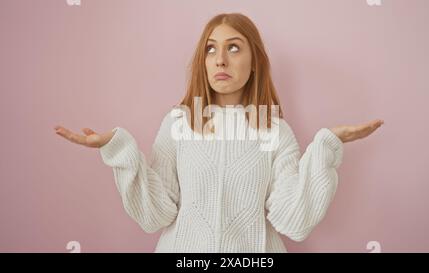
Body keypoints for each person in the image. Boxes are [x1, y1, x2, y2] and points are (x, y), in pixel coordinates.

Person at [54, 13, 383, 252]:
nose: (220, 60)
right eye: (211, 49)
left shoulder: (274, 131)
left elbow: (293, 219)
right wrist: (118, 148)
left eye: (234, 48)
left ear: (255, 61)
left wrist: (327, 146)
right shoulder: (179, 123)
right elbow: (156, 213)